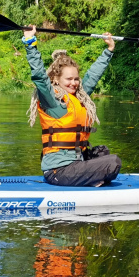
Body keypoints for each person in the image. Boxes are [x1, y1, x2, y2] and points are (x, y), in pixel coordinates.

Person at [23, 25, 122, 186]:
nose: (74, 83)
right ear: (56, 79)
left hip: (74, 162)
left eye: (76, 79)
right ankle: (91, 181)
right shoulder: (52, 101)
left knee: (103, 152)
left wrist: (109, 50)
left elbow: (93, 76)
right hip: (58, 171)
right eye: (69, 79)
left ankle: (91, 179)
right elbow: (40, 76)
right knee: (113, 162)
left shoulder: (78, 96)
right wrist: (30, 42)